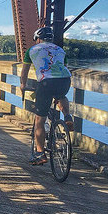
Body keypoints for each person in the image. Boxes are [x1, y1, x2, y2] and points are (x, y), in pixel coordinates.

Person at [20, 26, 74, 165]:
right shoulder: (60, 50)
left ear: (38, 39)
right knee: (61, 96)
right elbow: (64, 67)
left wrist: (23, 85)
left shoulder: (32, 50)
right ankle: (67, 116)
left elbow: (24, 72)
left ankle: (40, 153)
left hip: (46, 83)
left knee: (40, 120)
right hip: (65, 80)